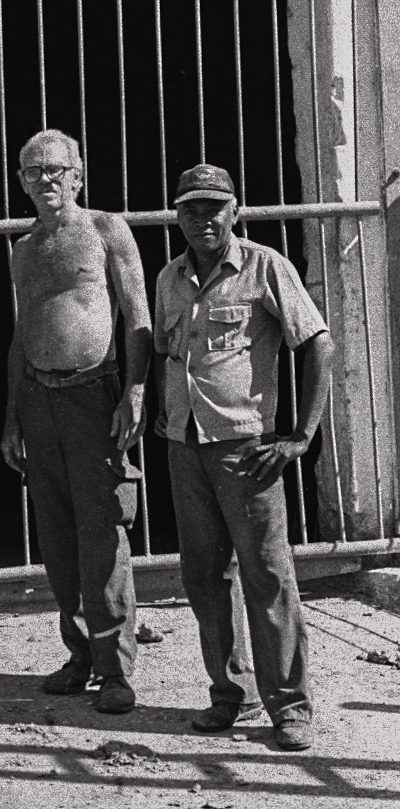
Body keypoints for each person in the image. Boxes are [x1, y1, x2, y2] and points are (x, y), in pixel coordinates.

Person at [153, 163, 332, 751]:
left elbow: (318, 344)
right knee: (204, 576)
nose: (202, 218)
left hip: (245, 448)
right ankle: (231, 692)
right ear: (178, 215)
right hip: (185, 446)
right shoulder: (170, 277)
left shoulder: (264, 267)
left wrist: (300, 436)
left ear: (236, 211)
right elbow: (165, 352)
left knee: (267, 574)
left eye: (214, 207)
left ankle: (291, 706)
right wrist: (163, 413)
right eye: (190, 208)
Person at [0, 130, 151, 715]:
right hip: (40, 401)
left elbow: (137, 317)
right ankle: (80, 653)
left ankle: (115, 668)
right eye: (33, 171)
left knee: (102, 532)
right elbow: (20, 338)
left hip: (94, 396)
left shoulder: (106, 229)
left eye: (56, 169)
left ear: (78, 175)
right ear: (21, 182)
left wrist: (135, 390)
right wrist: (12, 416)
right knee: (58, 536)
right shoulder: (24, 248)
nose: (45, 179)